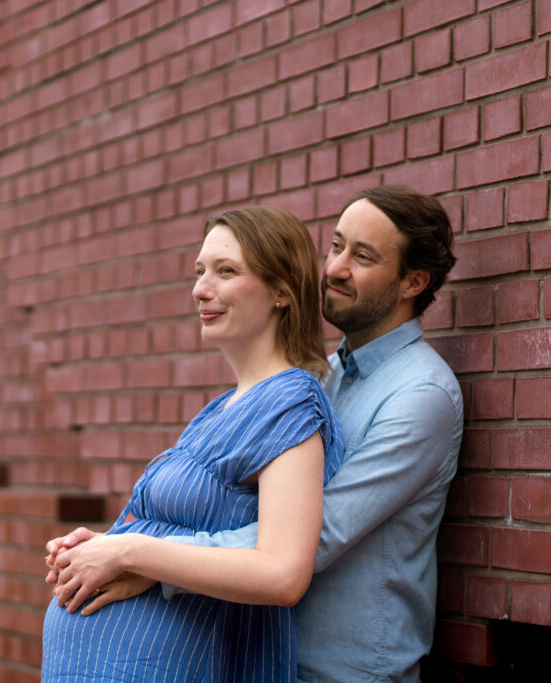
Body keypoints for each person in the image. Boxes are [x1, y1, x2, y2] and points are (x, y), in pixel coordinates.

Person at [48, 186, 463, 682]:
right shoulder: (321, 378)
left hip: (342, 671)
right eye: (336, 246)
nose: (333, 268)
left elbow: (316, 535)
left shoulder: (420, 395)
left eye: (363, 256)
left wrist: (144, 559)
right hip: (271, 654)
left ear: (413, 281)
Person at [40, 206, 344, 681]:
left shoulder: (290, 401)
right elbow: (182, 534)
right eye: (200, 271)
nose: (201, 289)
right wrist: (99, 548)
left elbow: (282, 573)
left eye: (226, 271)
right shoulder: (220, 409)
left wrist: (129, 552)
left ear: (283, 292)